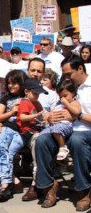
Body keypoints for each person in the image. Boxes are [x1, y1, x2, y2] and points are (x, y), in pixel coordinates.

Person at [0, 58, 58, 202]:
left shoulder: (49, 94)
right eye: (32, 70)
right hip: (13, 130)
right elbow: (4, 114)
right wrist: (0, 124)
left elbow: (51, 116)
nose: (35, 73)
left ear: (44, 73)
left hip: (35, 131)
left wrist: (48, 117)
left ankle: (36, 185)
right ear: (27, 70)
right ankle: (10, 180)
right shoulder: (20, 91)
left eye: (39, 71)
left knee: (38, 141)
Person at [36, 56, 91, 210]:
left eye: (69, 74)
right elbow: (55, 109)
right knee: (42, 140)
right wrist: (52, 117)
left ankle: (84, 190)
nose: (66, 78)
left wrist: (77, 116)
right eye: (64, 75)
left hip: (85, 131)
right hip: (64, 129)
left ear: (80, 69)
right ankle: (49, 187)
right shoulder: (65, 86)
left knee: (77, 140)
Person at [0, 70, 28, 203]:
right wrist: (12, 112)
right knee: (1, 149)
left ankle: (9, 183)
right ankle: (5, 185)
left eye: (14, 83)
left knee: (9, 153)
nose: (11, 86)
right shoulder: (6, 98)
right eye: (9, 83)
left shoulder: (28, 96)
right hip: (8, 128)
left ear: (21, 83)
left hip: (23, 131)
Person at [40, 80, 81, 160]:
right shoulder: (58, 103)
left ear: (73, 93)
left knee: (56, 130)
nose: (62, 99)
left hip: (66, 125)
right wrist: (48, 116)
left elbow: (77, 112)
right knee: (41, 135)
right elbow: (52, 112)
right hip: (55, 125)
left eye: (65, 96)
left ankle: (63, 147)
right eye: (60, 97)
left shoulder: (73, 102)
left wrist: (66, 104)